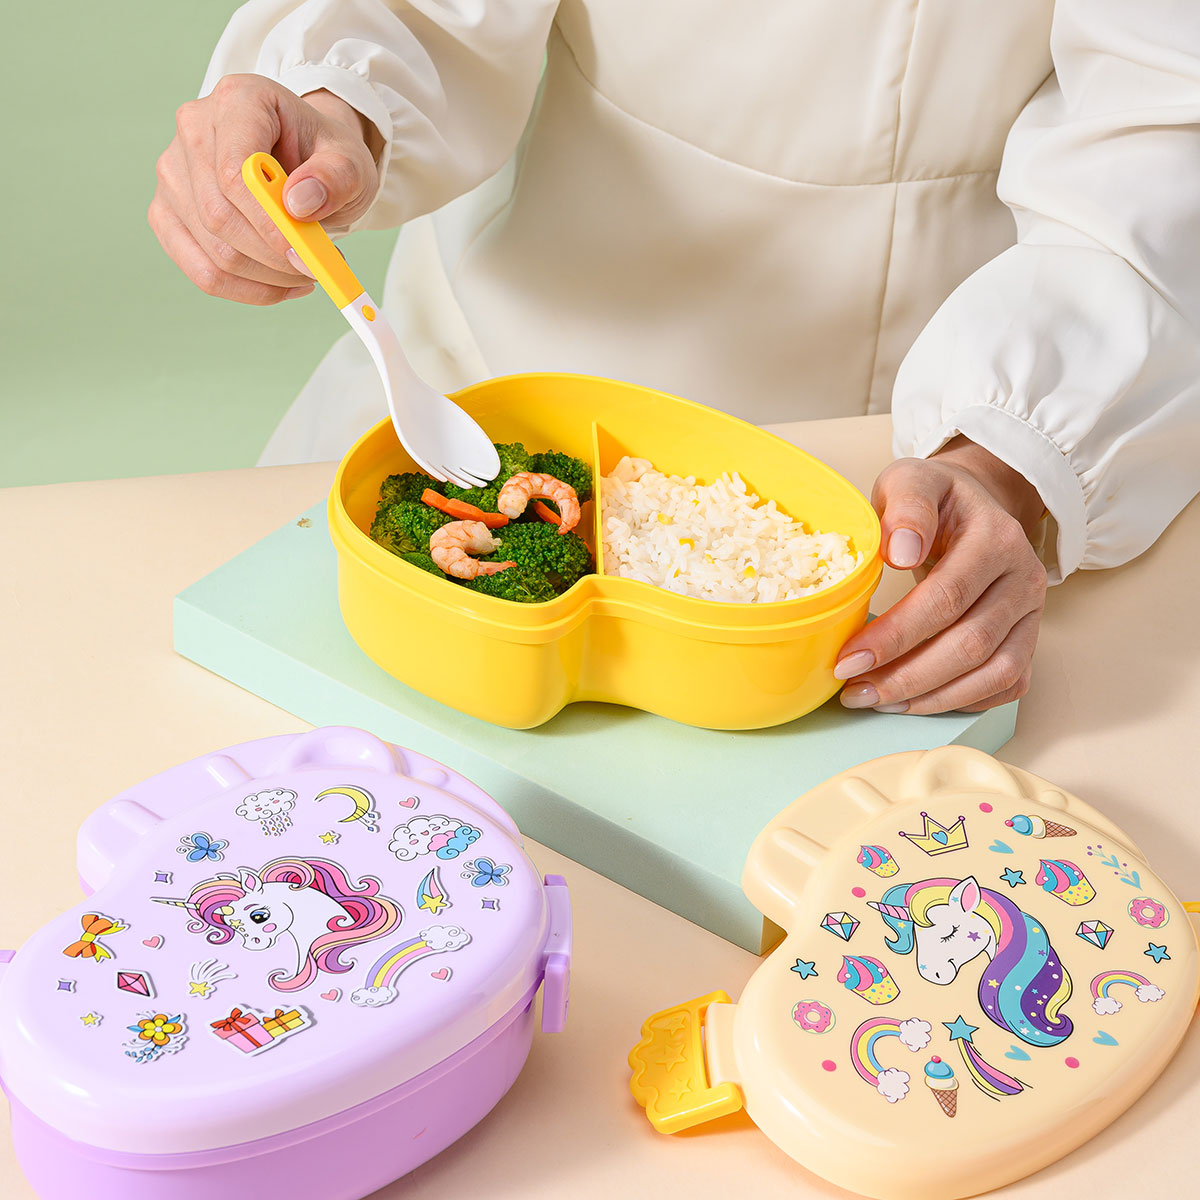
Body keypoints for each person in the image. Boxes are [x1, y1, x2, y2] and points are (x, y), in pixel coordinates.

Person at [149, 1, 1200, 716]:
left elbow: (1164, 132)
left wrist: (1011, 456)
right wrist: (331, 105)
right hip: (482, 379)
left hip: (897, 470)